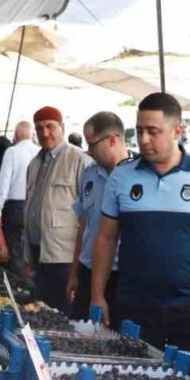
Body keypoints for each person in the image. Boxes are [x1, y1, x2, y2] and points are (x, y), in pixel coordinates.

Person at [92, 93, 190, 380]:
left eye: (153, 131)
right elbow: (106, 238)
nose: (144, 139)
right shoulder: (121, 177)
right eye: (140, 130)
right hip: (134, 306)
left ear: (177, 131)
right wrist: (97, 295)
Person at [24, 107, 91, 313]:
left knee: (62, 315)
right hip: (39, 254)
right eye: (40, 128)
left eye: (50, 127)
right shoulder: (34, 163)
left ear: (61, 127)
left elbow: (89, 214)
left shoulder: (79, 160)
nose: (45, 133)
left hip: (64, 256)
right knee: (42, 311)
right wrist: (27, 254)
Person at [67, 111, 128, 320]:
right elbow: (83, 226)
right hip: (87, 271)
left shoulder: (137, 177)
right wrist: (74, 273)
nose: (88, 151)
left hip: (120, 276)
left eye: (92, 145)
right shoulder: (90, 174)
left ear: (111, 140)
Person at [0, 121, 39, 275]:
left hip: (15, 207)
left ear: (16, 135)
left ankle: (20, 285)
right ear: (32, 134)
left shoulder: (11, 152)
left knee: (16, 250)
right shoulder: (40, 152)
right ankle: (33, 286)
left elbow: (3, 181)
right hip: (37, 206)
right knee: (33, 249)